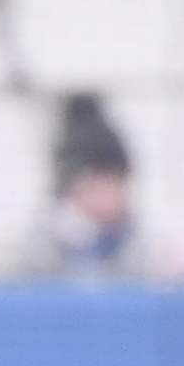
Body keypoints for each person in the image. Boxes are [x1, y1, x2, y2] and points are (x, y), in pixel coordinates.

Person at [46, 94, 136, 270]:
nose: (113, 196)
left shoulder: (134, 242)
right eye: (101, 185)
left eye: (116, 184)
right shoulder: (52, 242)